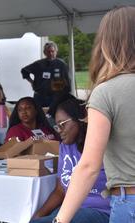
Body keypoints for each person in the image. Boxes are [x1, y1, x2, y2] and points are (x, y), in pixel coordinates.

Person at [55, 6, 135, 223]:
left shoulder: (106, 92)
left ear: (107, 43)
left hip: (129, 201)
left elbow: (89, 166)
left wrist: (60, 220)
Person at [30, 99, 110, 223]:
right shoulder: (65, 147)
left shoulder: (102, 146)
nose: (59, 130)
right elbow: (60, 190)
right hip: (71, 209)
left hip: (100, 211)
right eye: (57, 126)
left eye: (63, 124)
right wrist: (38, 215)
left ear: (80, 119)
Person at [21, 41, 70, 107]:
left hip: (55, 97)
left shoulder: (61, 64)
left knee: (53, 116)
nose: (51, 53)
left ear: (56, 52)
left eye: (52, 51)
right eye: (48, 51)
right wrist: (32, 82)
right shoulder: (39, 64)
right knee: (38, 115)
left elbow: (67, 81)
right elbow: (24, 71)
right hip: (40, 96)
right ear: (44, 52)